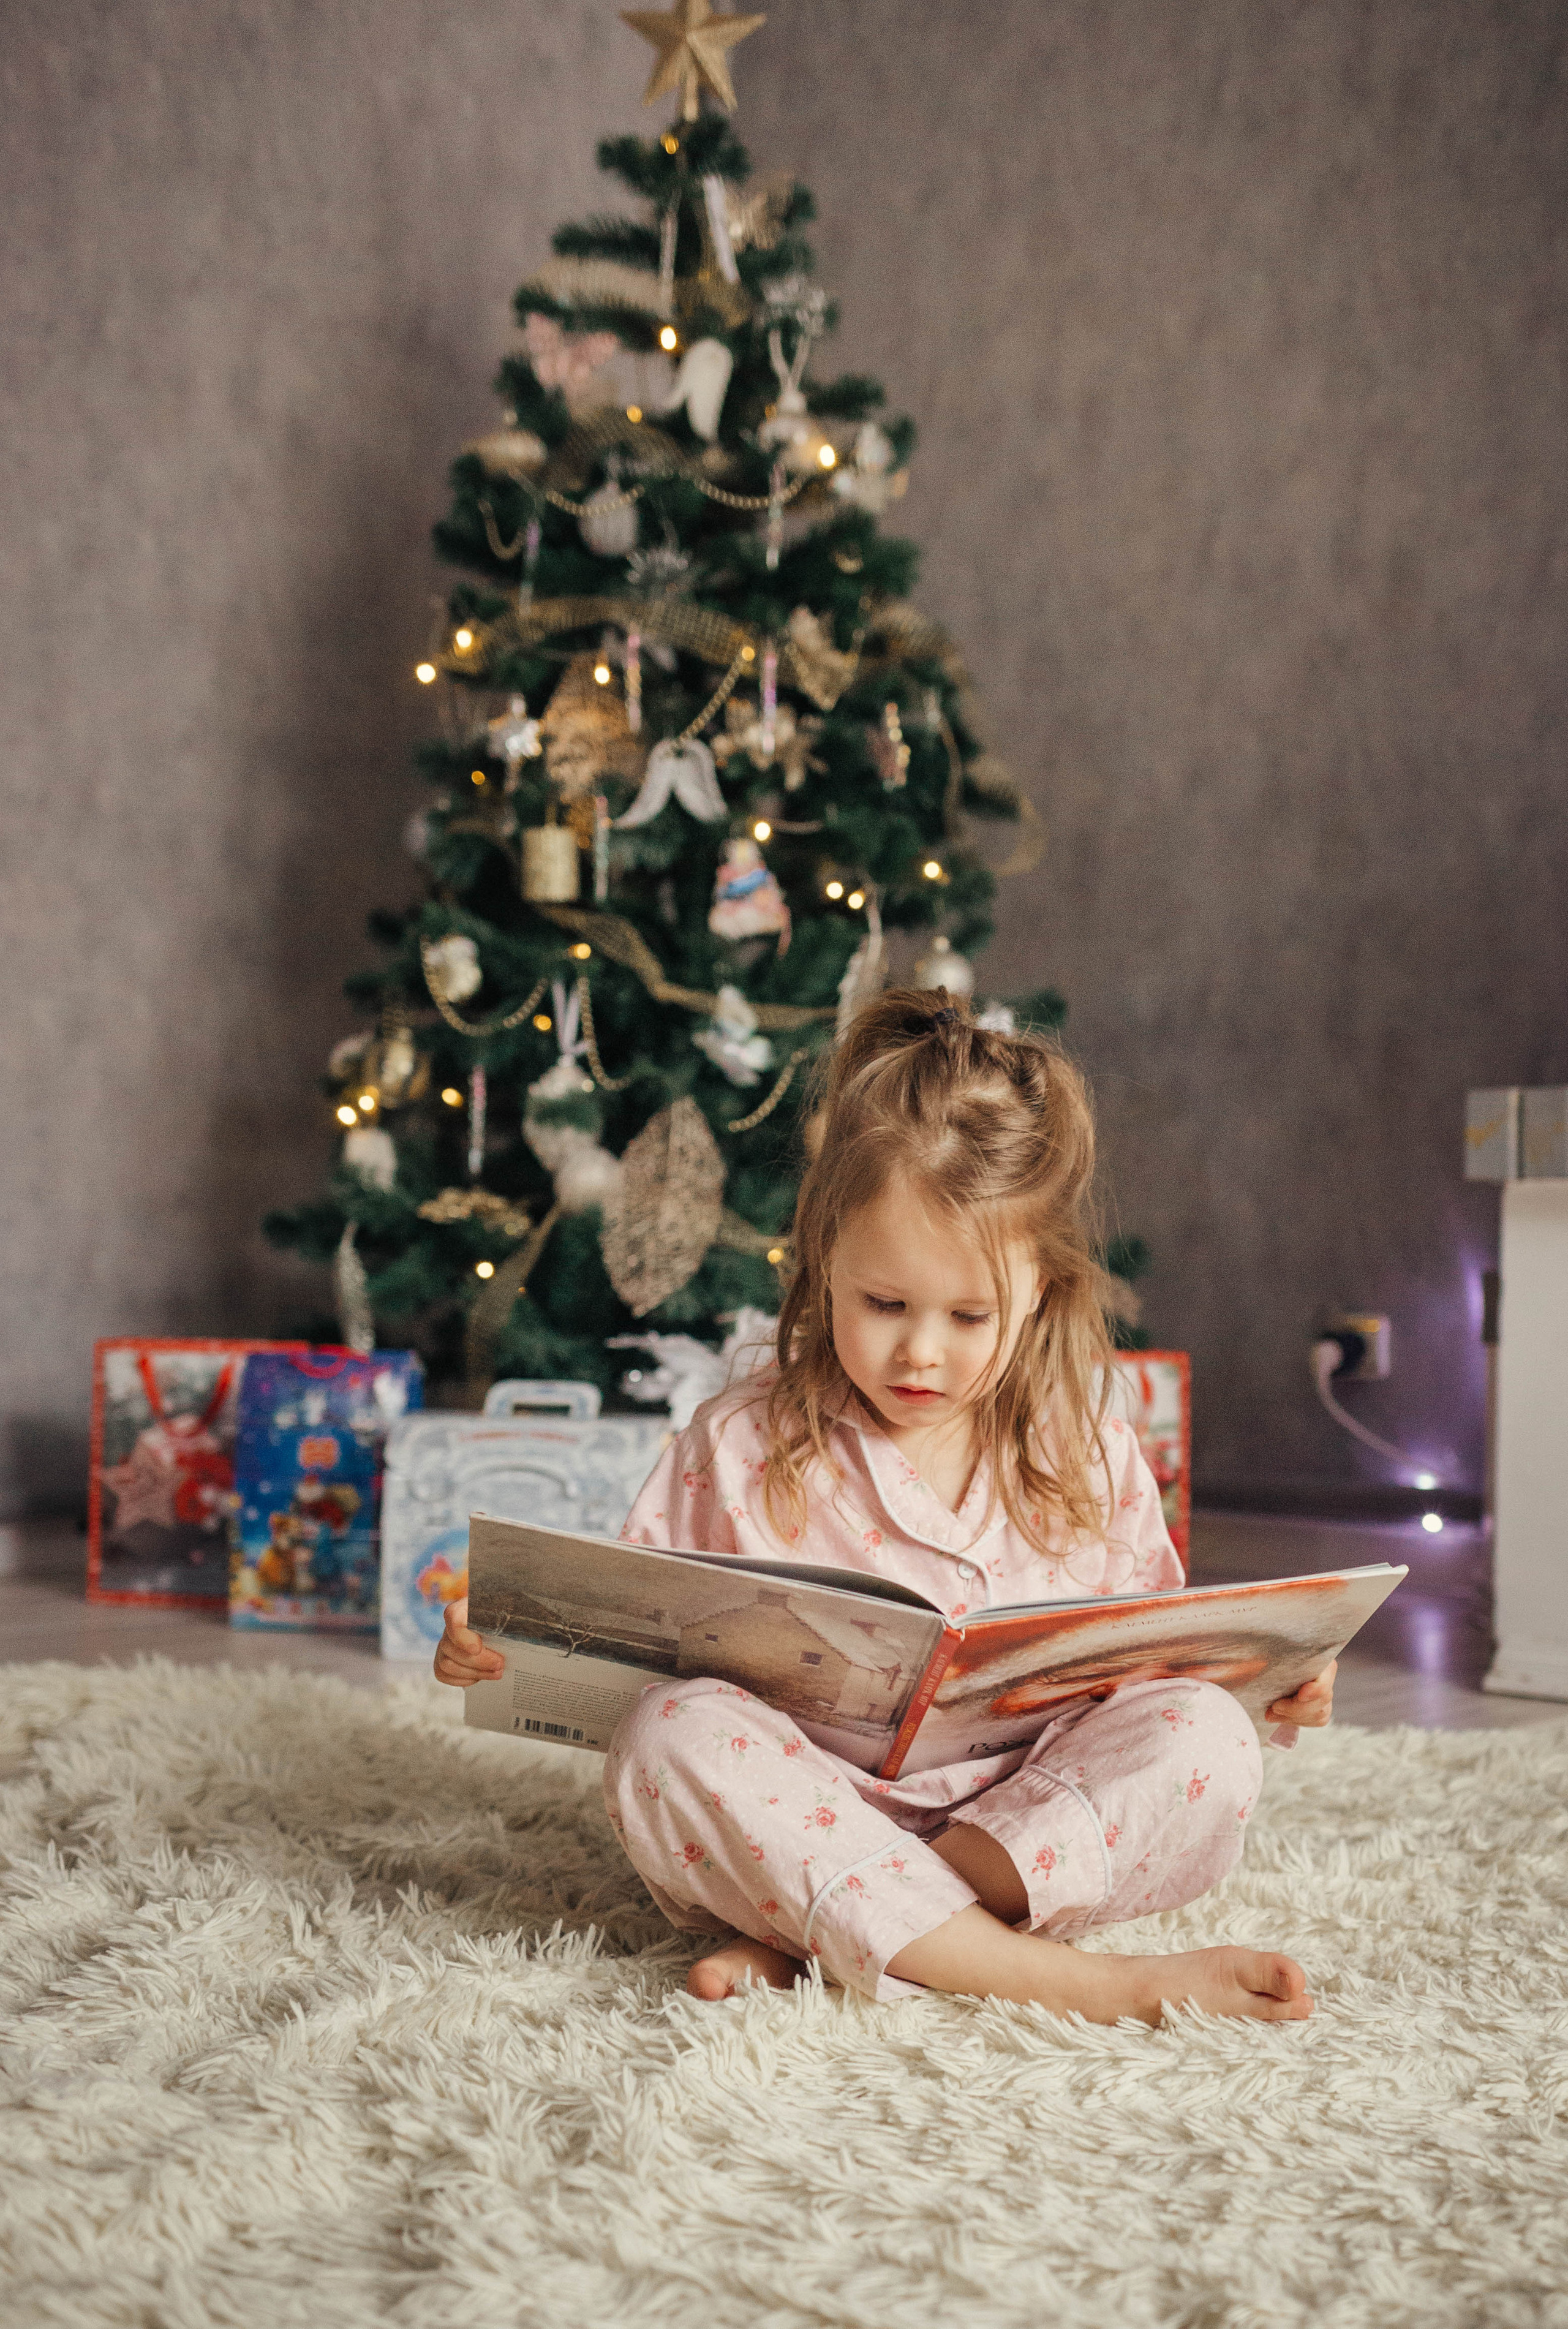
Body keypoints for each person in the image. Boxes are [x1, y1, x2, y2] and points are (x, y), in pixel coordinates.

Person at [436, 991, 1335, 2025]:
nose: (921, 1351)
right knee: (667, 1735)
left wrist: (1270, 1680)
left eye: (969, 1314)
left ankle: (837, 1925)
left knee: (1204, 1736)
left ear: (1037, 1287)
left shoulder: (1084, 1440)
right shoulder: (736, 1442)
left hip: (1019, 1815)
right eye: (885, 1303)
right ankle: (1086, 1986)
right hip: (803, 1802)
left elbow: (1150, 1665)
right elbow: (623, 1650)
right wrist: (502, 1642)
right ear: (824, 1263)